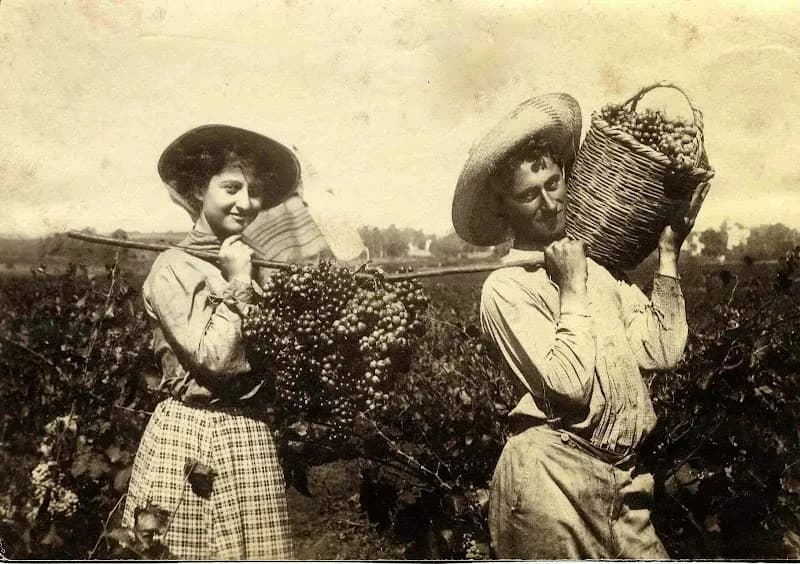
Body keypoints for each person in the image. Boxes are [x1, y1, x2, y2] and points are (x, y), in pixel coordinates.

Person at [451, 93, 710, 559]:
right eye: (529, 195)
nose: (549, 203)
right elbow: (568, 390)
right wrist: (571, 289)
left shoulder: (602, 271)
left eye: (553, 183)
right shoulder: (507, 289)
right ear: (503, 210)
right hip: (550, 486)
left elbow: (662, 350)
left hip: (625, 486)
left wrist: (668, 254)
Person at [121, 124, 302, 559]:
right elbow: (215, 359)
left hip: (250, 438)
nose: (246, 203)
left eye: (254, 191)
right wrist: (238, 282)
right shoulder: (174, 269)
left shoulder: (251, 267)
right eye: (231, 187)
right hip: (191, 436)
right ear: (200, 189)